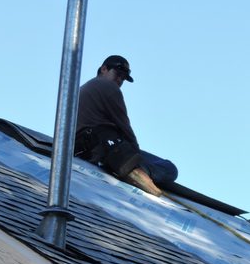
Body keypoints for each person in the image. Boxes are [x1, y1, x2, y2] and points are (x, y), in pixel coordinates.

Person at [74, 55, 177, 196]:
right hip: (107, 150)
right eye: (118, 74)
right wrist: (134, 156)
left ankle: (127, 166)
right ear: (104, 69)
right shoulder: (108, 87)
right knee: (169, 169)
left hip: (86, 151)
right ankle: (134, 170)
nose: (120, 80)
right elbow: (124, 125)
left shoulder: (85, 88)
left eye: (123, 78)